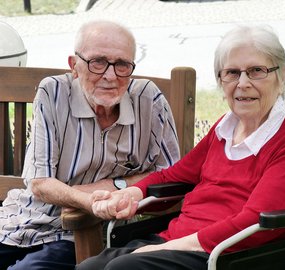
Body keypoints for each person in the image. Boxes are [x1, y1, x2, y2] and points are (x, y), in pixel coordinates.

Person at [77, 24, 285, 270]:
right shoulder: (225, 129)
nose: (243, 83)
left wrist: (166, 248)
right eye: (231, 73)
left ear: (281, 75)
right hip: (182, 242)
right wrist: (131, 193)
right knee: (92, 267)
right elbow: (173, 175)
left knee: (124, 268)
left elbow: (255, 223)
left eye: (257, 70)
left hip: (235, 255)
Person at [0, 20, 180, 270]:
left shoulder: (149, 100)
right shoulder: (53, 93)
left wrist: (115, 186)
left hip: (86, 232)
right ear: (74, 66)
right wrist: (92, 200)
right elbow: (40, 183)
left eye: (122, 64)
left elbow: (172, 178)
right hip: (22, 220)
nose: (110, 75)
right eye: (98, 62)